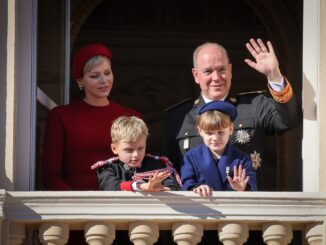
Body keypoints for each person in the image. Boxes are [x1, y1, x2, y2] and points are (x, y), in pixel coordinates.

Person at [164, 38, 302, 190]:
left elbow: (290, 119)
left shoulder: (254, 106)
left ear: (230, 71)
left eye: (222, 70)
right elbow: (169, 171)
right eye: (208, 71)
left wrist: (274, 75)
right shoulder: (178, 116)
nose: (216, 78)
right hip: (198, 209)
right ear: (196, 75)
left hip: (246, 207)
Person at [41, 43, 142, 245]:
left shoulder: (132, 116)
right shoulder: (61, 116)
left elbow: (139, 167)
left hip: (121, 209)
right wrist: (76, 206)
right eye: (95, 76)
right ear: (80, 80)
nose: (104, 80)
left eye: (107, 73)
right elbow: (50, 173)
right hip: (74, 212)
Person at [181, 101, 257, 197]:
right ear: (200, 131)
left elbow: (252, 188)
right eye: (209, 133)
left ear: (230, 129)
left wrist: (242, 189)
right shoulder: (191, 157)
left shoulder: (242, 159)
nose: (215, 138)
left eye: (220, 132)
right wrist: (197, 188)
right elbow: (187, 184)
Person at [92, 116, 181, 191]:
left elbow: (174, 186)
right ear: (114, 148)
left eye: (140, 148)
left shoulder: (157, 165)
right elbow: (109, 185)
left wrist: (161, 189)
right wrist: (140, 186)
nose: (136, 155)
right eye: (129, 150)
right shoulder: (108, 168)